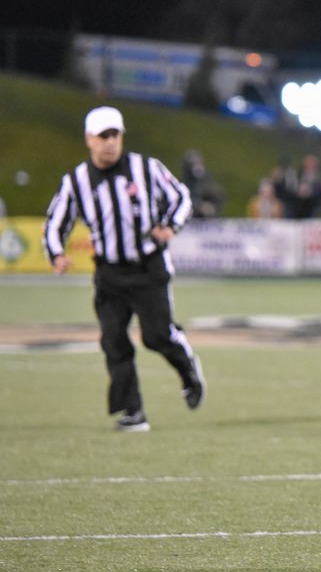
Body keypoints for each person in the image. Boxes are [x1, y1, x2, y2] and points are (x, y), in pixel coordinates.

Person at [42, 106, 205, 432]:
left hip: (147, 267)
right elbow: (56, 221)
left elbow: (181, 197)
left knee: (157, 337)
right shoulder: (76, 181)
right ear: (89, 139)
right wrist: (56, 253)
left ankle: (187, 368)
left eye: (115, 135)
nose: (110, 142)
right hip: (110, 274)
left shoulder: (146, 168)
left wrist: (170, 226)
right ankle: (133, 411)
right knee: (114, 341)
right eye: (103, 136)